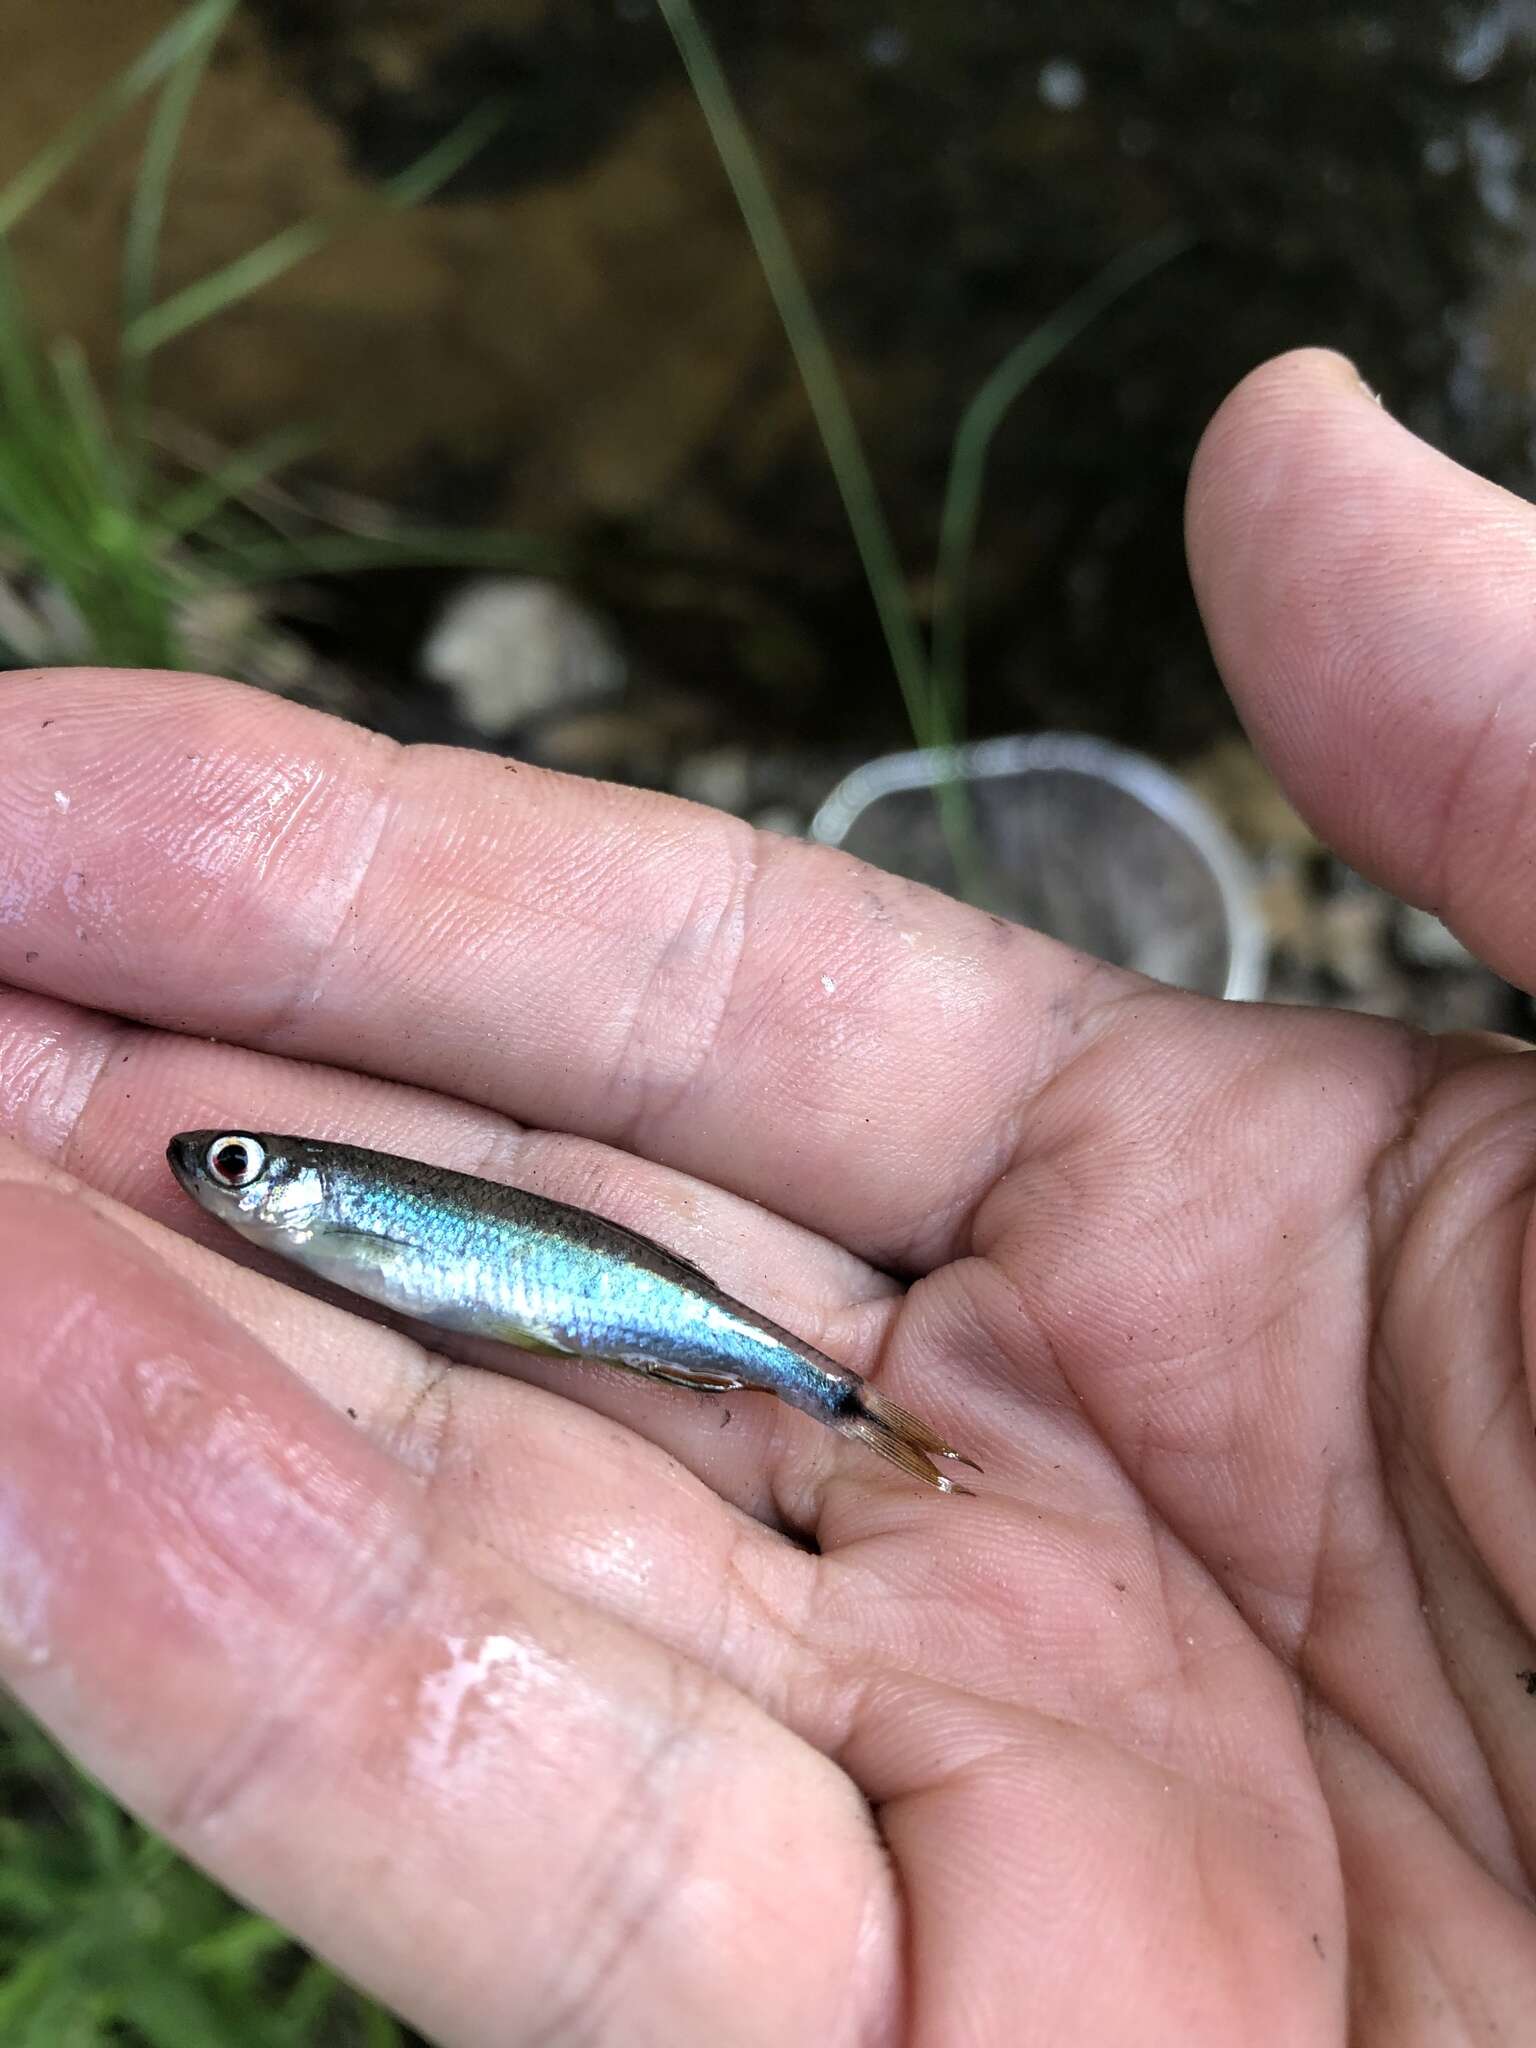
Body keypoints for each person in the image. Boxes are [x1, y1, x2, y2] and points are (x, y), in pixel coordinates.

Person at [0, 346, 1531, 2045]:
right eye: (231, 1174)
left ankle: (853, 1411)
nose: (227, 1183)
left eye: (234, 1170)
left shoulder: (314, 1198)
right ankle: (851, 1409)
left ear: (284, 1188)